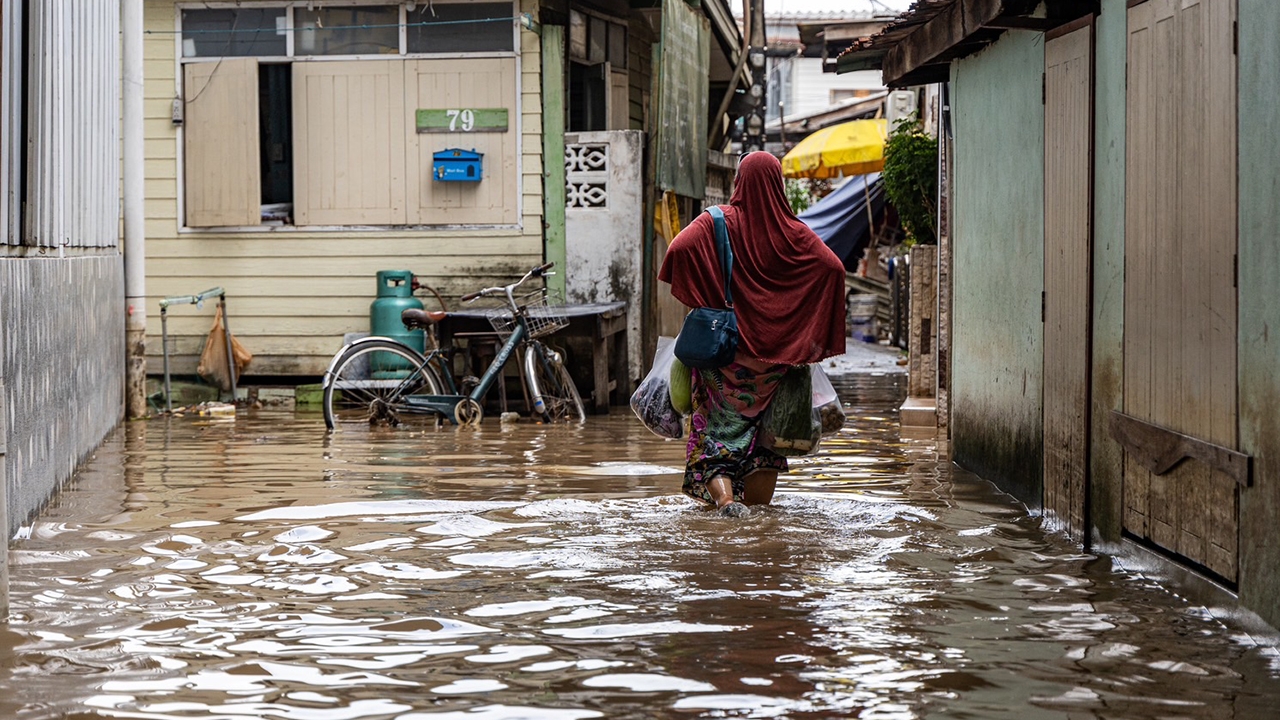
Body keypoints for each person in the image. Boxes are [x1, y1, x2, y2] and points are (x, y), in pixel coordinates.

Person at [658, 152, 846, 517]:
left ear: (738, 183)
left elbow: (678, 250)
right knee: (764, 444)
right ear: (779, 186)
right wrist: (797, 325)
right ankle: (755, 517)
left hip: (722, 358)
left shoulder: (716, 222)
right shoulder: (796, 234)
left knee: (713, 434)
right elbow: (833, 268)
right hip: (774, 365)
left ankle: (726, 502)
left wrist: (709, 293)